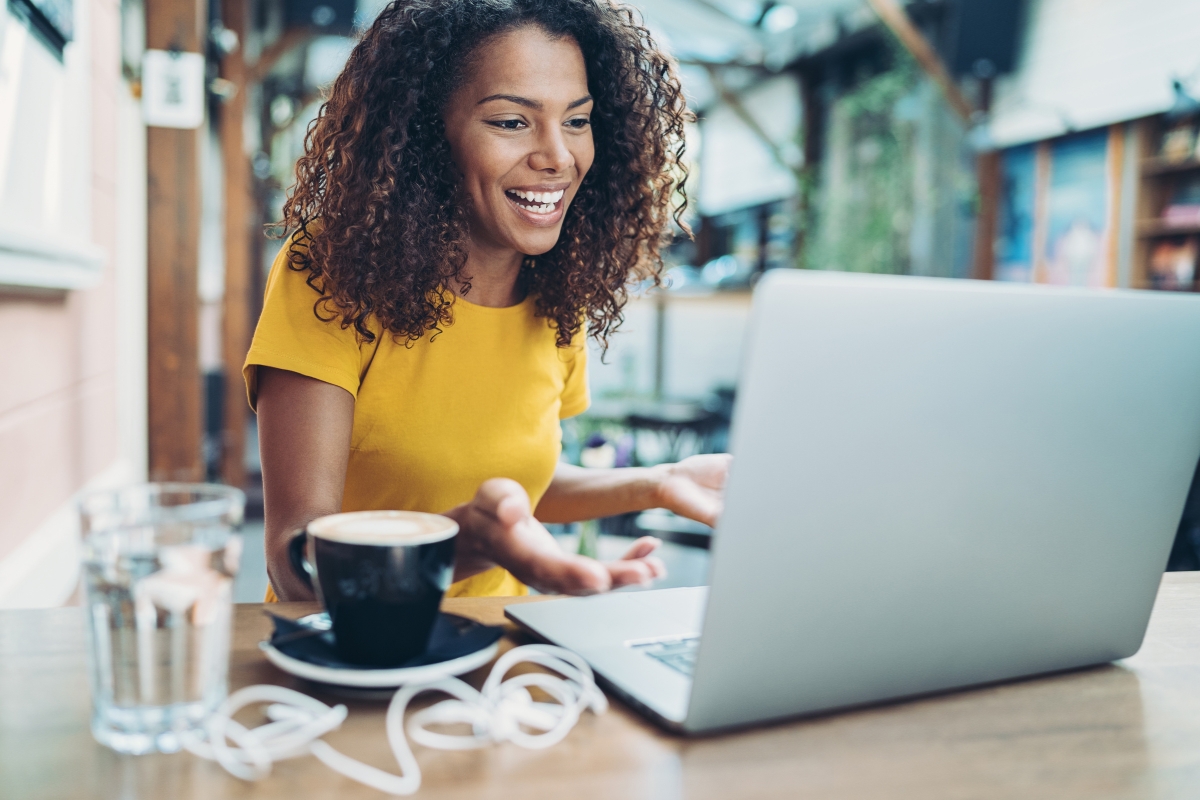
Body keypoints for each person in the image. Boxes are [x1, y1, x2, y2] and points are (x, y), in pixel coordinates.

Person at [246, 0, 732, 602]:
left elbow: (522, 482)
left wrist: (660, 483)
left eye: (577, 121)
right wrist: (464, 545)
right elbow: (294, 563)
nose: (558, 155)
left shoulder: (561, 291)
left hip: (502, 666)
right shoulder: (332, 270)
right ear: (428, 134)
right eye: (511, 122)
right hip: (350, 667)